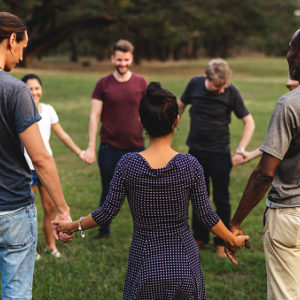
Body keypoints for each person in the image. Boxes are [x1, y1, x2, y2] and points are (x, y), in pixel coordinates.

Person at [54, 82, 249, 300]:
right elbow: (206, 215)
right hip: (185, 265)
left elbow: (107, 212)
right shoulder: (190, 165)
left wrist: (71, 226)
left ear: (141, 122)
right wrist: (231, 240)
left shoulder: (128, 164)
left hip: (144, 266)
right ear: (176, 121)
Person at [0, 12, 72, 299]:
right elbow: (40, 158)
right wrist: (62, 209)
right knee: (16, 293)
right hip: (14, 209)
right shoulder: (16, 91)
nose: (20, 57)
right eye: (22, 48)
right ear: (12, 39)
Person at [226, 29, 300, 300]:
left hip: (290, 215)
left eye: (292, 49)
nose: (287, 54)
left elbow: (264, 175)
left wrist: (235, 223)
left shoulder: (289, 105)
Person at [178, 58, 255, 257]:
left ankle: (222, 242)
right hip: (195, 153)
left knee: (222, 199)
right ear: (206, 77)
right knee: (198, 198)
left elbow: (249, 122)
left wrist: (240, 149)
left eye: (224, 86)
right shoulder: (194, 84)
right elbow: (179, 106)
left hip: (220, 154)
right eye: (217, 86)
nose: (221, 90)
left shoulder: (232, 92)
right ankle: (200, 238)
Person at [81, 39, 147, 239]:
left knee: (141, 193)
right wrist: (91, 147)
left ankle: (145, 231)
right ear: (112, 58)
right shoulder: (103, 83)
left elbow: (147, 114)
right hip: (109, 147)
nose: (123, 63)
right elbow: (94, 115)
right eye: (119, 60)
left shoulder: (141, 82)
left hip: (136, 147)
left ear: (131, 59)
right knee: (108, 190)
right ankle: (103, 230)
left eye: (126, 60)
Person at [21, 73, 83, 259]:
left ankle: (50, 244)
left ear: (42, 89)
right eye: (29, 89)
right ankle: (31, 249)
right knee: (28, 212)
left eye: (36, 88)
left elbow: (62, 135)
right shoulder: (19, 111)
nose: (34, 92)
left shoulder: (48, 110)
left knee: (50, 209)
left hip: (46, 169)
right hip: (26, 168)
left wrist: (79, 152)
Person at [233, 76, 299, 166]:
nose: (290, 74)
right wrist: (250, 155)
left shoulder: (288, 106)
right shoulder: (291, 103)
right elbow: (277, 142)